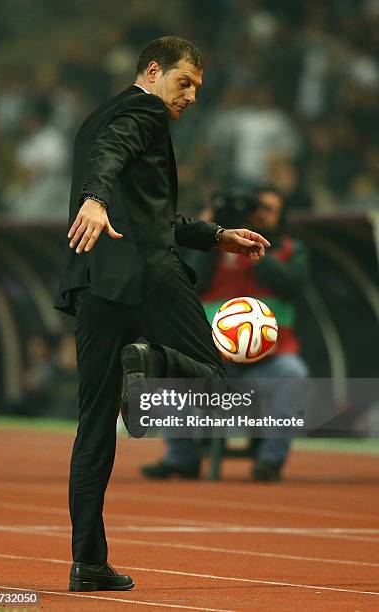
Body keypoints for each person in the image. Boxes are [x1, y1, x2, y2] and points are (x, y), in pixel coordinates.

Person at [54, 36, 270, 592]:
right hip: (147, 274)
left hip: (96, 281)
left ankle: (87, 563)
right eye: (185, 82)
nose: (191, 96)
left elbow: (155, 211)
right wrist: (96, 198)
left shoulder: (96, 117)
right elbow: (112, 162)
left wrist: (215, 235)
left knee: (94, 429)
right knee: (219, 387)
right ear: (152, 71)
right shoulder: (144, 111)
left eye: (197, 87)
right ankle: (148, 360)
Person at [142, 184, 309, 482]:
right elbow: (191, 282)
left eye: (267, 209)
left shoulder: (291, 251)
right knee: (166, 371)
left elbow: (289, 285)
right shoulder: (214, 251)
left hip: (268, 362)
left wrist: (254, 247)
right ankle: (182, 458)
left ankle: (270, 462)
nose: (258, 215)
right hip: (212, 362)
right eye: (253, 208)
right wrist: (210, 235)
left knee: (294, 372)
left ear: (281, 216)